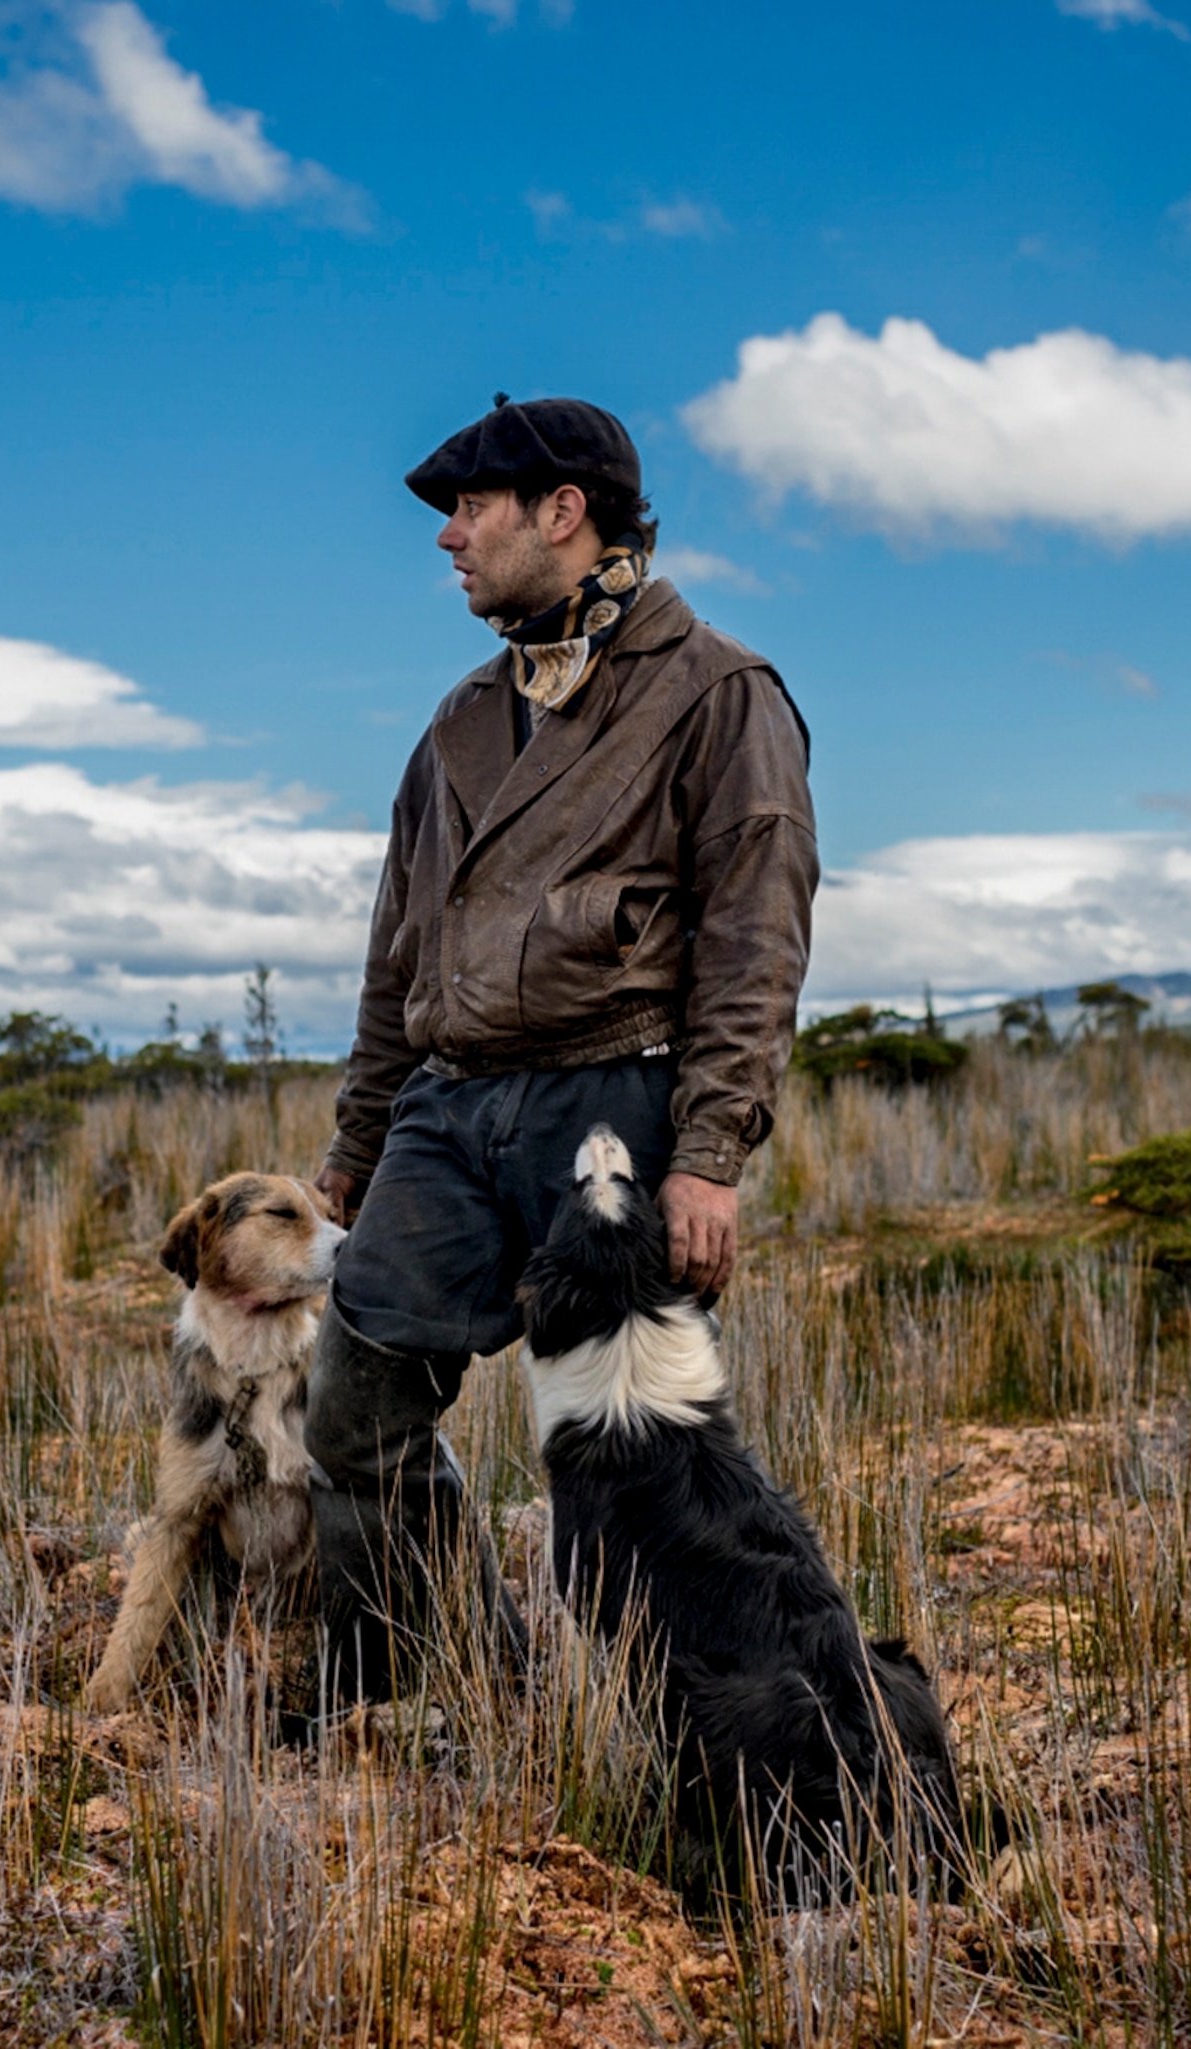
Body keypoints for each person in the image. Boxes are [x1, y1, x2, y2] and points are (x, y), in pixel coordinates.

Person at [303, 394, 819, 1704]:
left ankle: (727, 1755)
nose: (448, 540)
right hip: (448, 1103)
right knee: (356, 1405)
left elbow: (754, 946)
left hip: (615, 1107)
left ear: (562, 512)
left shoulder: (716, 691)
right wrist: (355, 1154)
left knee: (633, 1454)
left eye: (469, 510)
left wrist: (707, 1157)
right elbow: (397, 953)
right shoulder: (460, 722)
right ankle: (446, 1696)